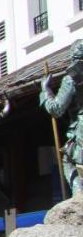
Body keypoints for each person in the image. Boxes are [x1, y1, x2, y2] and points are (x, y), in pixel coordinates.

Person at [42, 39, 83, 197]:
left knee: (68, 161)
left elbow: (56, 109)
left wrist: (45, 90)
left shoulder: (72, 79)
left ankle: (79, 198)